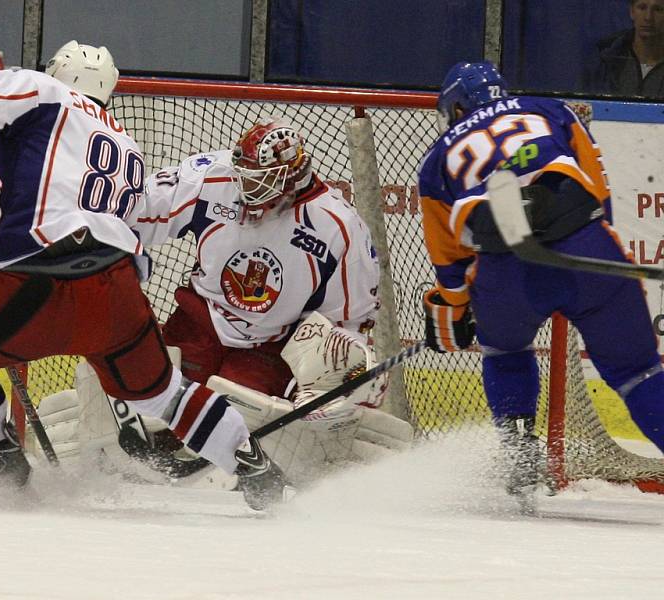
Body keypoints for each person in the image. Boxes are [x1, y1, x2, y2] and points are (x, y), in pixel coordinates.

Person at [0, 40, 287, 511]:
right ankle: (255, 469)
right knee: (163, 394)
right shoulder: (125, 144)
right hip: (117, 295)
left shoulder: (43, 90)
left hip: (35, 288)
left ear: (56, 71)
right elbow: (85, 218)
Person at [33, 116, 413, 485]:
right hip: (198, 324)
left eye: (259, 182)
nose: (247, 190)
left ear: (290, 177)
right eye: (243, 177)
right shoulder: (213, 176)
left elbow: (350, 323)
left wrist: (343, 381)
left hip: (266, 349)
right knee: (143, 391)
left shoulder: (339, 228)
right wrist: (76, 234)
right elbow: (140, 212)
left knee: (235, 430)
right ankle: (104, 450)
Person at [418, 61, 664, 497]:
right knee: (637, 374)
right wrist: (591, 238)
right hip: (584, 246)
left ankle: (520, 460)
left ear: (455, 108)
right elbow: (597, 188)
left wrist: (454, 308)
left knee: (505, 352)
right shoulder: (550, 109)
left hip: (505, 270)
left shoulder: (437, 159)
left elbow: (449, 259)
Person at [588, 0, 664, 96]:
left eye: (658, 9)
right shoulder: (604, 58)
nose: (648, 17)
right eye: (642, 8)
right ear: (632, 11)